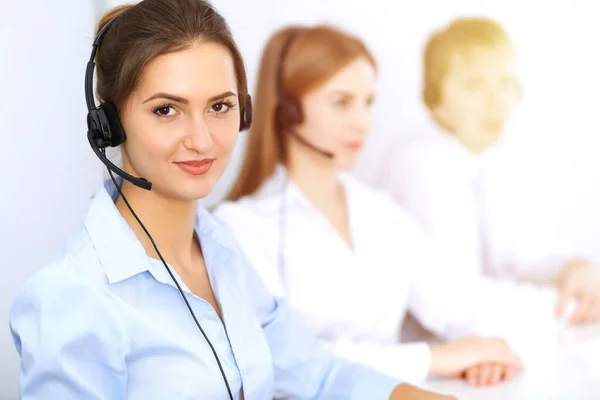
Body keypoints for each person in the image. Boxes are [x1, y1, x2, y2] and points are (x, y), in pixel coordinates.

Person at [7, 1, 456, 399]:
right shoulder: (72, 296)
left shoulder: (221, 250)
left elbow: (317, 376)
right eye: (167, 109)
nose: (202, 140)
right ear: (109, 121)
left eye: (219, 106)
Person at [213, 24, 540, 388]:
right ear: (288, 110)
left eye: (368, 102)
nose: (362, 122)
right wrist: (433, 358)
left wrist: (485, 351)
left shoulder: (381, 213)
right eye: (342, 102)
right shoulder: (243, 227)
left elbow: (457, 305)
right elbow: (284, 360)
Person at [368, 17, 600, 325]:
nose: (496, 102)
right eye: (474, 85)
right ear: (434, 97)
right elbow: (454, 302)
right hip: (433, 355)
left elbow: (521, 250)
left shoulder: (483, 158)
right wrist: (567, 305)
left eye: (504, 83)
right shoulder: (420, 164)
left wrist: (573, 267)